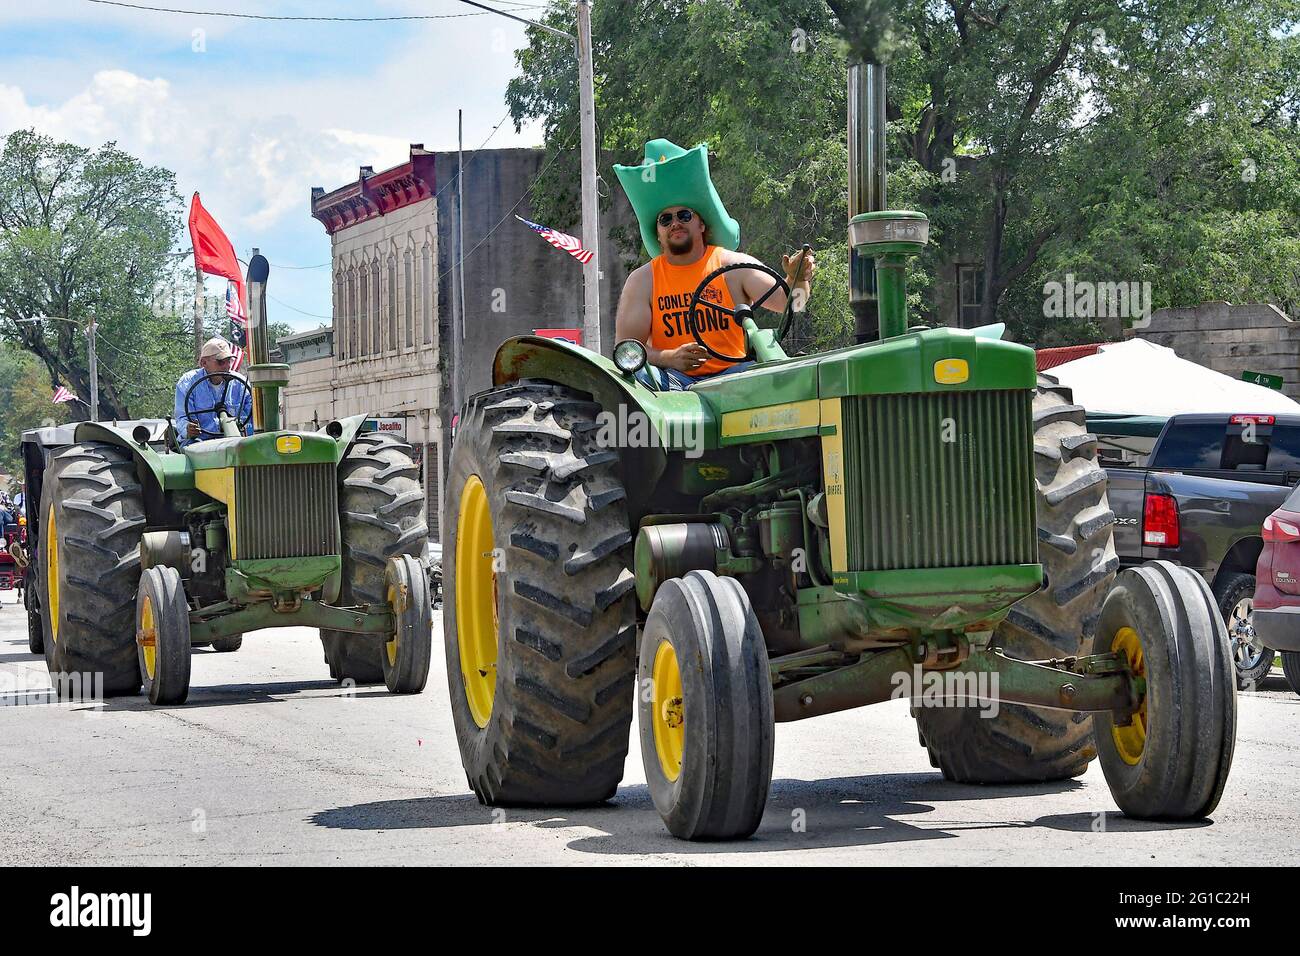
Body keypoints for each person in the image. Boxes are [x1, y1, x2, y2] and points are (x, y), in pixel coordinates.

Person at [613, 138, 815, 391]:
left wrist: (800, 278)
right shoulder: (643, 281)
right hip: (672, 384)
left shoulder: (733, 266)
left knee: (777, 381)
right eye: (665, 219)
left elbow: (794, 304)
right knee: (633, 379)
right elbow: (627, 350)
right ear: (658, 233)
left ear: (701, 224)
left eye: (684, 215)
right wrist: (668, 358)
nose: (675, 223)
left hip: (735, 377)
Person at [175, 338, 253, 446]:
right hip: (200, 442)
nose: (227, 366)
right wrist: (188, 429)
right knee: (195, 446)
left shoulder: (240, 384)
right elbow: (182, 418)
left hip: (234, 442)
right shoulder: (187, 383)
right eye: (221, 362)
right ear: (204, 363)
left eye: (229, 360)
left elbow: (252, 413)